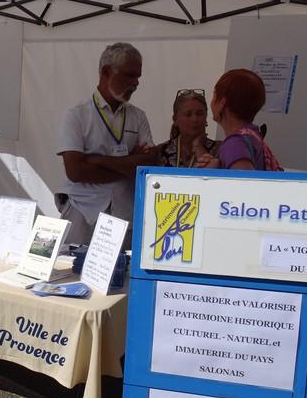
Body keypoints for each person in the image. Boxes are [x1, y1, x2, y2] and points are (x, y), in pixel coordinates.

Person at [55, 42, 157, 246]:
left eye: (138, 76)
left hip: (125, 216)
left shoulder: (138, 116)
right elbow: (75, 172)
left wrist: (99, 160)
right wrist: (129, 164)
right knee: (74, 266)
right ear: (106, 72)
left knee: (123, 267)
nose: (136, 83)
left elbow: (149, 164)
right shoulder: (77, 115)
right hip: (84, 213)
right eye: (130, 75)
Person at [197, 69, 282, 171]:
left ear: (222, 103)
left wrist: (213, 174)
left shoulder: (235, 144)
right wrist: (219, 166)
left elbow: (244, 179)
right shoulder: (252, 136)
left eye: (214, 95)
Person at [158, 89, 220, 168]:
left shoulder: (219, 149)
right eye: (188, 114)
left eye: (199, 114)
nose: (194, 119)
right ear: (175, 119)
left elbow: (209, 174)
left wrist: (198, 146)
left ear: (206, 117)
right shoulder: (161, 151)